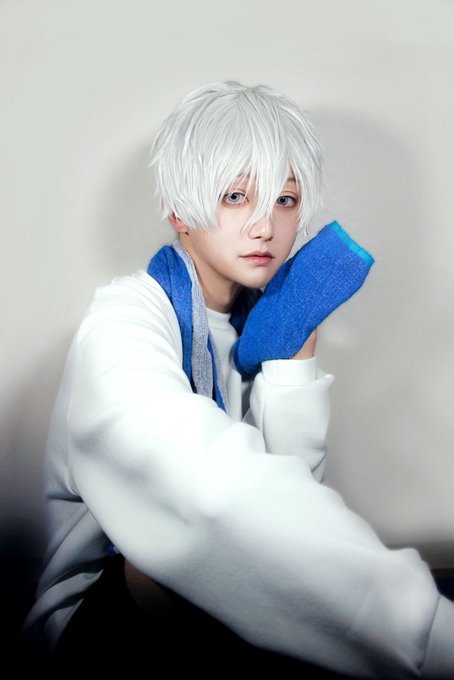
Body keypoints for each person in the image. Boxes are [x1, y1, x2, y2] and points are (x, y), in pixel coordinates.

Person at [23, 81, 454, 678]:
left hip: (222, 603)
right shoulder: (122, 322)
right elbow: (207, 495)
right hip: (100, 622)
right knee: (189, 557)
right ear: (179, 211)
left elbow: (290, 502)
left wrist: (292, 361)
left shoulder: (264, 324)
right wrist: (429, 635)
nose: (264, 226)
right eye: (234, 196)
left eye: (285, 199)